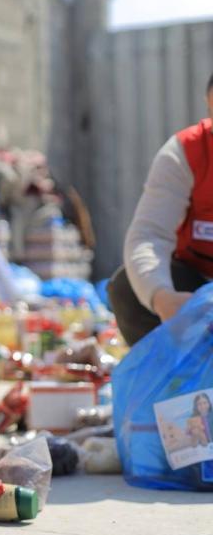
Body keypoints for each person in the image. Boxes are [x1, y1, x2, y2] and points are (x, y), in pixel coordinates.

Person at [109, 74, 213, 345]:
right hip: (198, 291)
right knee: (128, 289)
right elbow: (149, 234)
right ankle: (181, 384)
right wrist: (162, 297)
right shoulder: (184, 153)